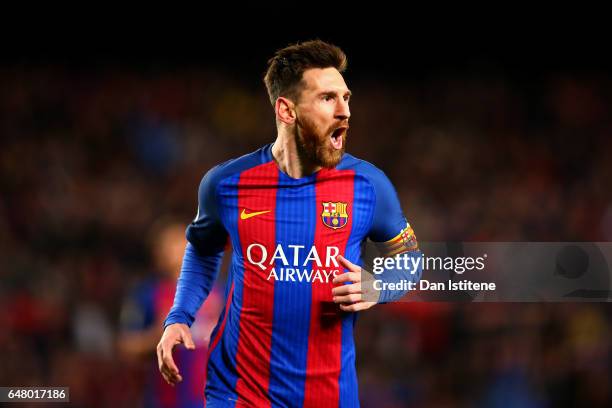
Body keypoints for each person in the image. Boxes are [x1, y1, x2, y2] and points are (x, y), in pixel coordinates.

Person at [157, 40, 422, 407]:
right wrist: (179, 316)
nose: (345, 111)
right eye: (328, 98)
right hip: (238, 392)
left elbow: (409, 259)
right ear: (287, 110)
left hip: (329, 395)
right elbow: (203, 249)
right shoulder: (226, 183)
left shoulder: (369, 186)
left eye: (347, 97)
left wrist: (378, 287)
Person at [119, 220, 223, 407]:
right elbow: (126, 346)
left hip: (212, 400)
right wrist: (157, 336)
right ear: (157, 254)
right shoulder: (147, 294)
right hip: (165, 400)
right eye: (168, 245)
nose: (176, 250)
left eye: (182, 242)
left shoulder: (218, 293)